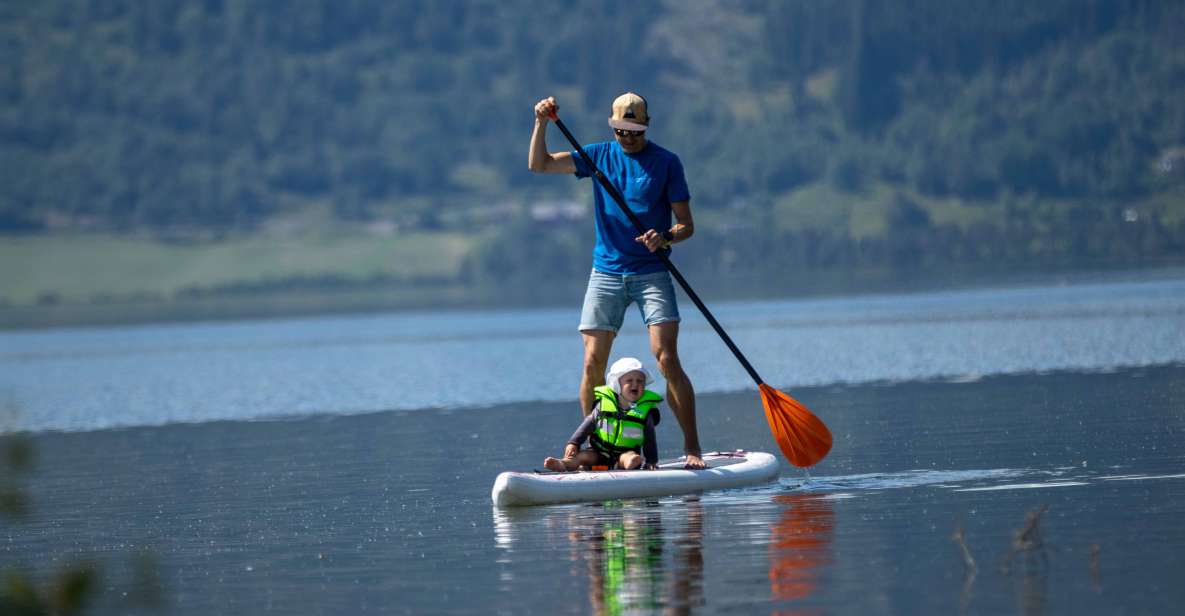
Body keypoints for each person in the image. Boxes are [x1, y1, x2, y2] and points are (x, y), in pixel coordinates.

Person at [529, 92, 705, 469]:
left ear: (647, 125)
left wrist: (666, 237)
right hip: (606, 272)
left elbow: (686, 225)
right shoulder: (598, 155)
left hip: (651, 271)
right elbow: (539, 165)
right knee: (593, 361)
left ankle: (693, 448)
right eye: (622, 131)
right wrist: (541, 122)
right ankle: (598, 451)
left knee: (666, 358)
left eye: (635, 131)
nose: (628, 138)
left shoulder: (666, 163)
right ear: (613, 126)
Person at [544, 357, 662, 472]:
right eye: (629, 381)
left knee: (630, 457)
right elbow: (587, 425)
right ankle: (563, 464)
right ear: (616, 384)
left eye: (640, 381)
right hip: (598, 452)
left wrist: (651, 460)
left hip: (624, 454)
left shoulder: (646, 413)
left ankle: (627, 463)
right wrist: (574, 443)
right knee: (583, 456)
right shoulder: (603, 407)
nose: (635, 384)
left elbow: (649, 439)